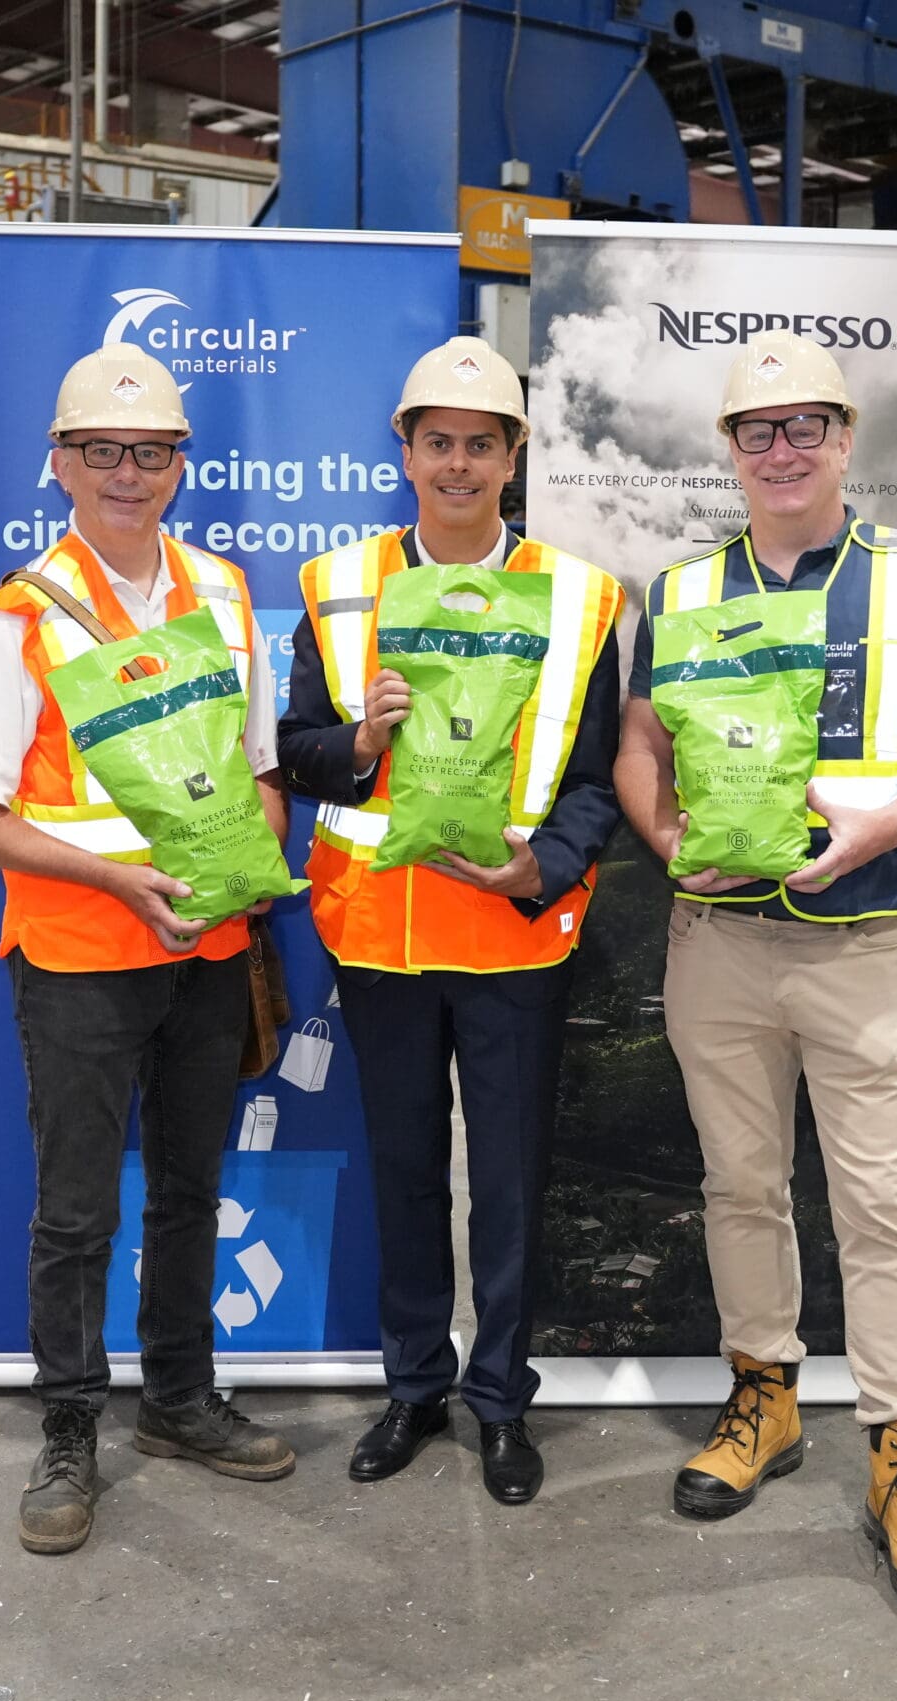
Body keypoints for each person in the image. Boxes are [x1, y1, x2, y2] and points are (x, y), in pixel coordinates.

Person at [611, 329, 897, 1614]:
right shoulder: (676, 594)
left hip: (860, 947)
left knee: (883, 1206)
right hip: (716, 945)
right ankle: (764, 1402)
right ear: (727, 450)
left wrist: (883, 826)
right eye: (756, 429)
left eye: (805, 427)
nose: (780, 449)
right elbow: (638, 748)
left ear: (846, 440)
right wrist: (667, 837)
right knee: (739, 1186)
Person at [0, 342, 298, 1558]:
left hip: (207, 952)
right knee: (77, 1210)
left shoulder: (226, 595)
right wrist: (115, 879)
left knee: (192, 1187)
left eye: (150, 452)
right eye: (102, 452)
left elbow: (256, 771)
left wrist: (248, 874)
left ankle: (179, 1403)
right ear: (62, 464)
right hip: (81, 955)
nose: (128, 473)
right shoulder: (20, 621)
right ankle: (71, 1427)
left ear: (180, 464)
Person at [277, 336, 625, 1505]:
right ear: (406, 450)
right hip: (376, 935)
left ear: (514, 455)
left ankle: (499, 1403)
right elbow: (298, 756)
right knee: (403, 1171)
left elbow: (590, 779)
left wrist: (546, 869)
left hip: (516, 940)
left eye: (482, 444)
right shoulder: (340, 588)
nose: (460, 464)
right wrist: (360, 743)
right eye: (440, 443)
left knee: (513, 1184)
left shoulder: (577, 600)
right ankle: (415, 1388)